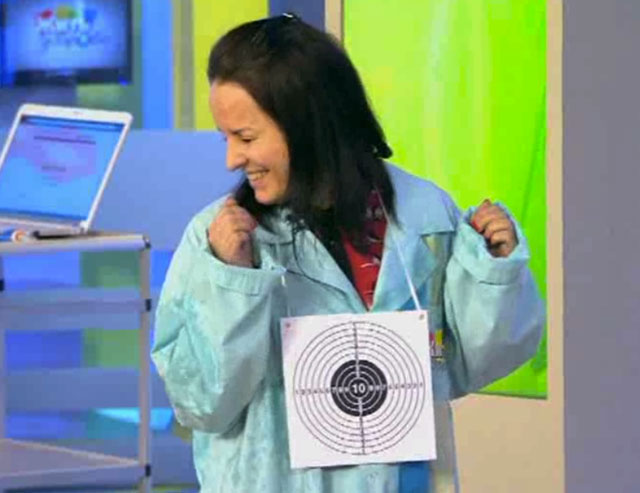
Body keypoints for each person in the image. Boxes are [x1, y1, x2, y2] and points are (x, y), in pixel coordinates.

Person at [152, 14, 544, 493]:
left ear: (309, 125)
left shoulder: (426, 217)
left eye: (247, 137)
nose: (232, 159)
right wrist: (233, 283)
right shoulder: (217, 241)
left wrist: (494, 274)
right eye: (226, 137)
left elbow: (464, 366)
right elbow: (200, 403)